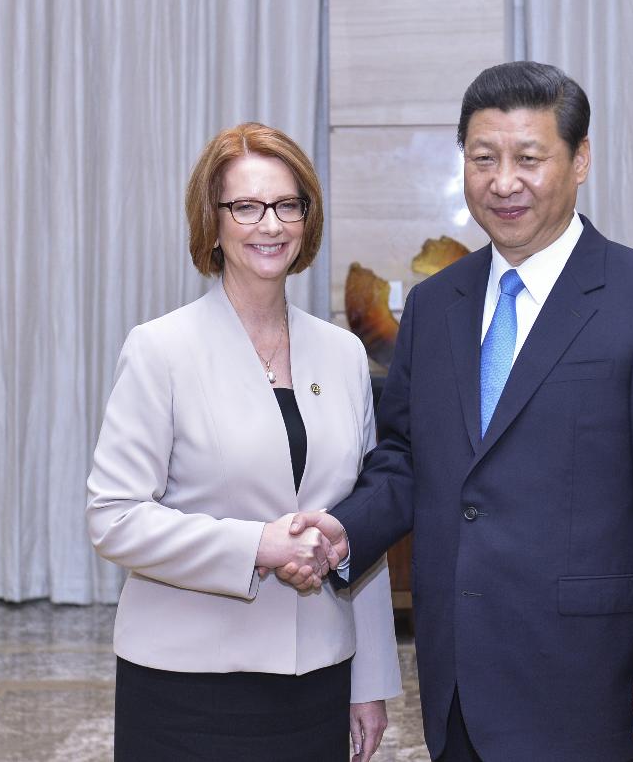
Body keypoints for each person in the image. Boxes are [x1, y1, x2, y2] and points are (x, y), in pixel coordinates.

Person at [285, 62, 633, 760]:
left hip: (593, 685)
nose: (503, 181)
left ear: (580, 159)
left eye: (530, 158)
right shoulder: (435, 307)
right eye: (483, 158)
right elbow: (405, 456)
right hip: (459, 676)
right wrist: (344, 531)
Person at [86, 122, 401, 762]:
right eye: (247, 206)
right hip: (185, 686)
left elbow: (358, 520)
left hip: (316, 680)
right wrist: (256, 545)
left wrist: (369, 683)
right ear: (215, 221)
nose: (271, 225)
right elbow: (113, 519)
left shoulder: (343, 353)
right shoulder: (161, 350)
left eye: (289, 205)